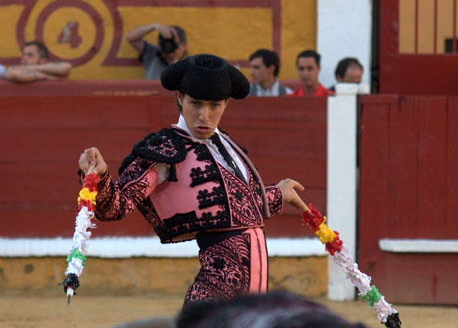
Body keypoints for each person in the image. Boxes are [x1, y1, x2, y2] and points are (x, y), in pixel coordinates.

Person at [78, 53, 308, 305]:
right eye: (196, 104)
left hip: (255, 299)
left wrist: (279, 192)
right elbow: (115, 207)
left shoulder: (228, 146)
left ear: (226, 104)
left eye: (214, 106)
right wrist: (99, 178)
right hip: (215, 291)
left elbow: (240, 207)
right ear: (180, 98)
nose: (204, 116)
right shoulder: (166, 149)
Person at [4, 41, 71, 83]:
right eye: (23, 55)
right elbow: (15, 75)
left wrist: (29, 68)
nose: (24, 58)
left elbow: (66, 67)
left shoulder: (50, 70)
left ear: (42, 61)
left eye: (30, 55)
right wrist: (45, 76)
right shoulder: (14, 69)